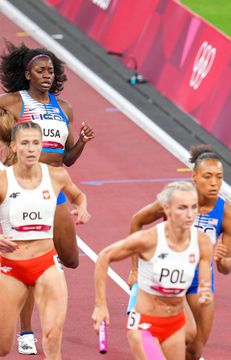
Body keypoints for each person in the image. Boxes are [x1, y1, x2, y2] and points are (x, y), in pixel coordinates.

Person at [0, 41, 95, 355]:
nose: (46, 75)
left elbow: (67, 159)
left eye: (50, 71)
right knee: (29, 259)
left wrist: (81, 140)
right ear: (27, 73)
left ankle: (42, 265)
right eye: (40, 70)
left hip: (53, 188)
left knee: (70, 258)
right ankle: (26, 330)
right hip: (24, 190)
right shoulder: (14, 102)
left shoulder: (63, 107)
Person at [126, 145, 231, 360]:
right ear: (194, 177)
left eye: (219, 177)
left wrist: (223, 259)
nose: (214, 183)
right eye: (207, 177)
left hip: (200, 282)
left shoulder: (227, 214)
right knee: (186, 333)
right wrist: (135, 269)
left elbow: (226, 267)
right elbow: (136, 221)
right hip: (169, 277)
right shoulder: (175, 200)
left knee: (195, 350)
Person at [92, 181, 213, 360]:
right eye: (182, 208)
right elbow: (104, 256)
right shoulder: (148, 240)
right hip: (145, 325)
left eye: (193, 207)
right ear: (167, 208)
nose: (189, 214)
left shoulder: (202, 242)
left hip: (175, 324)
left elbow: (204, 276)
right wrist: (101, 305)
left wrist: (205, 291)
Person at [0, 121, 90, 359]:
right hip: (11, 268)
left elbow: (78, 195)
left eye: (36, 143)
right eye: (25, 143)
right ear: (13, 147)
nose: (31, 149)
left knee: (52, 335)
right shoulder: (2, 181)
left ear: (42, 146)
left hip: (47, 264)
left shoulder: (57, 175)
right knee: (3, 345)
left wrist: (82, 209)